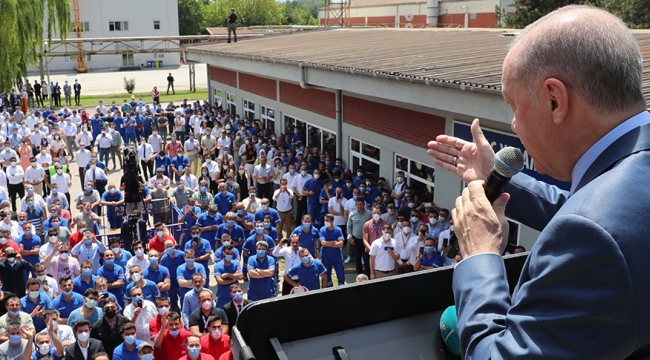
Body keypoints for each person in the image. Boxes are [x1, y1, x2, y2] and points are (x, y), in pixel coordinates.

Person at [427, 5, 650, 358]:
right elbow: (603, 213)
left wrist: (479, 255)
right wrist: (498, 179)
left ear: (554, 100)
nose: (514, 125)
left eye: (514, 106)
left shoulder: (594, 237)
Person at [319, 214, 345, 287]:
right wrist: (334, 242)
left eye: (327, 220)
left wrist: (328, 243)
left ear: (332, 221)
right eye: (324, 220)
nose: (325, 222)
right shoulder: (322, 230)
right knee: (327, 277)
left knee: (341, 276)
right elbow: (323, 243)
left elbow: (341, 244)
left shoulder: (338, 230)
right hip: (326, 257)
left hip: (337, 257)